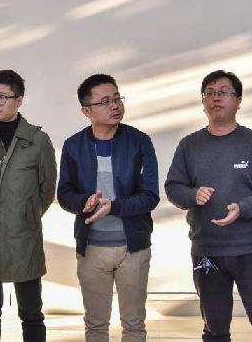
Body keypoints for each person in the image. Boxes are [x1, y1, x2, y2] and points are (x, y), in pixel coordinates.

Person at [165, 70, 252, 342]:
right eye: (209, 93)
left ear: (238, 100)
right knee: (215, 330)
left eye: (223, 92)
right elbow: (173, 188)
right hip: (207, 251)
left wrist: (243, 208)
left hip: (251, 249)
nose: (215, 98)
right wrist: (193, 195)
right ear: (203, 101)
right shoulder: (189, 145)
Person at [57, 74, 159, 342]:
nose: (114, 105)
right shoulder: (73, 146)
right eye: (105, 101)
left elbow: (150, 196)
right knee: (96, 325)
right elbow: (64, 194)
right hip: (91, 248)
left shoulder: (140, 141)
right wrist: (84, 201)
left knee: (134, 325)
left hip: (133, 248)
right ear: (86, 111)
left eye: (116, 98)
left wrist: (114, 206)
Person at [0, 69, 57, 342]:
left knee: (32, 313)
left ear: (19, 100)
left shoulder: (38, 141)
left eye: (2, 97)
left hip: (24, 237)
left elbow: (47, 189)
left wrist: (24, 214)